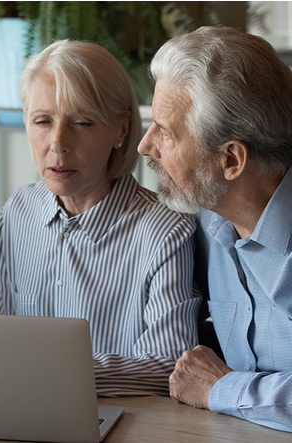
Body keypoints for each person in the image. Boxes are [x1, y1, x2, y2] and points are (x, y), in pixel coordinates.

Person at [0, 39, 200, 396]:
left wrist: (51, 374)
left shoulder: (165, 230)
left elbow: (170, 365)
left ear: (121, 130)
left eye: (83, 123)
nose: (57, 144)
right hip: (17, 410)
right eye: (42, 121)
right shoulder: (17, 213)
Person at [138, 26, 292, 432]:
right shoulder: (207, 219)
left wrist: (221, 388)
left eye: (166, 132)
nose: (145, 145)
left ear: (231, 160)